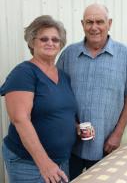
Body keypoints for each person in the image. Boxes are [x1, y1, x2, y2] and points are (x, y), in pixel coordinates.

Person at [57, 3, 127, 180]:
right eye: (89, 22)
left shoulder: (124, 54)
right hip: (71, 143)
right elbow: (57, 94)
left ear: (109, 23)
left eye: (99, 22)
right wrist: (72, 125)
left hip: (106, 144)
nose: (94, 27)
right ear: (82, 24)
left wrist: (118, 134)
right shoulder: (68, 55)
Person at [0, 15, 78, 183]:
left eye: (55, 40)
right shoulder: (24, 73)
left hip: (60, 161)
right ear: (32, 42)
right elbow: (20, 119)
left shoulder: (63, 76)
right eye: (44, 39)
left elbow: (61, 112)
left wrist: (75, 127)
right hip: (30, 163)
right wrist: (44, 164)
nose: (50, 43)